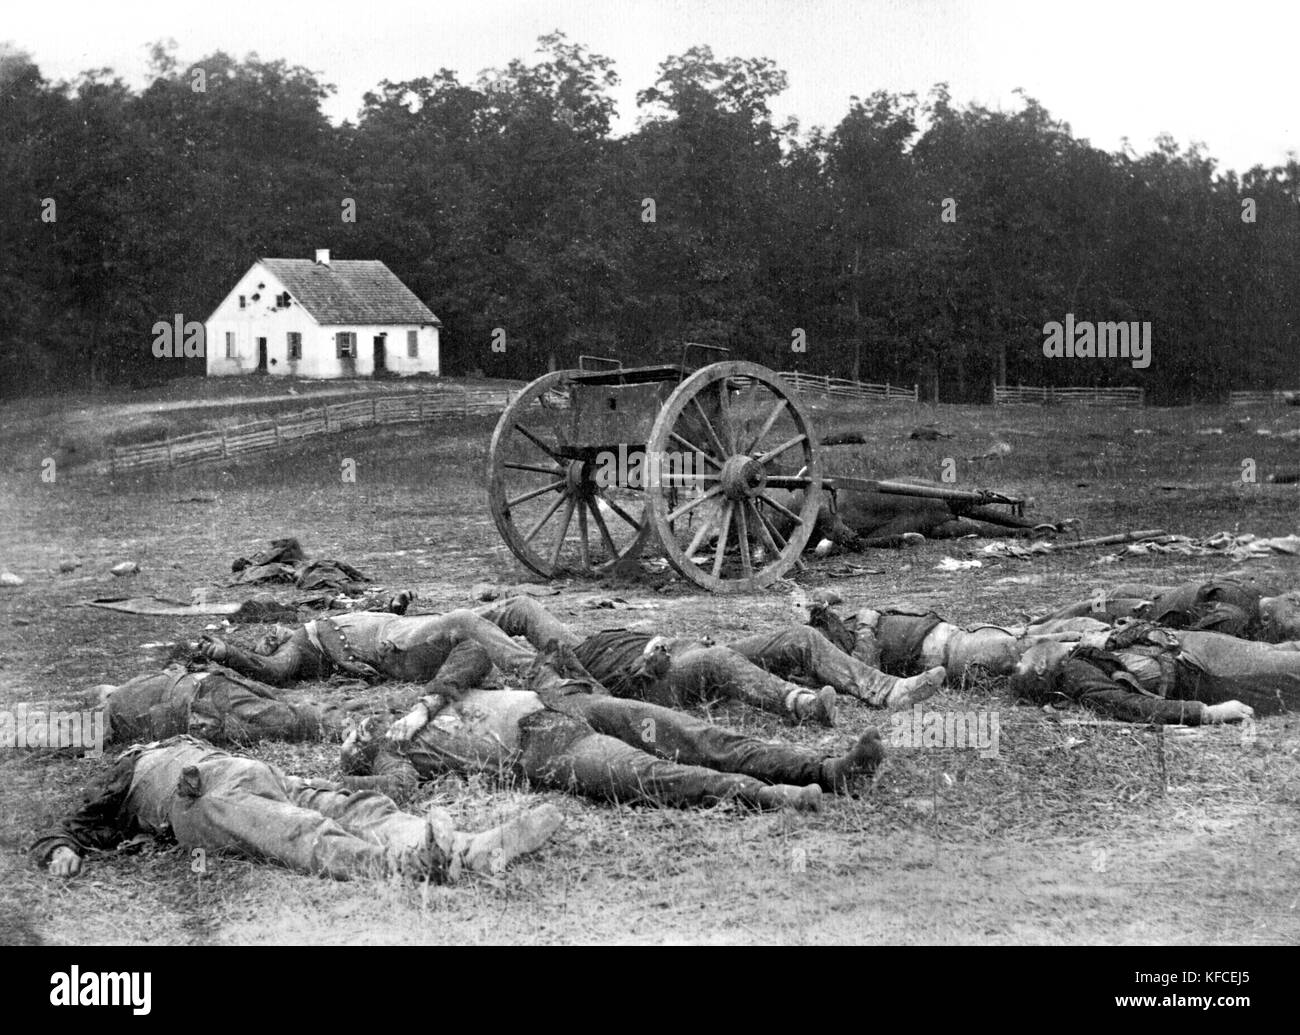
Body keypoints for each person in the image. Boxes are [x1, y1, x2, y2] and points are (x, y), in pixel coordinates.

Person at [339, 640, 886, 812]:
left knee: (697, 737)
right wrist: (348, 776)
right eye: (347, 739)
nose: (354, 730)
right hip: (543, 746)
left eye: (352, 726)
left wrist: (425, 705)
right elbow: (399, 789)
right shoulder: (397, 755)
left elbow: (473, 649)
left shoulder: (416, 709)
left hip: (573, 703)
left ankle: (831, 769)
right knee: (652, 775)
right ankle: (779, 798)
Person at [31, 734, 562, 883]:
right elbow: (67, 827)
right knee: (301, 831)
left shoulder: (178, 738)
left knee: (357, 805)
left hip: (260, 775)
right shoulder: (123, 775)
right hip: (200, 800)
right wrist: (58, 850)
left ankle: (465, 847)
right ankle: (402, 866)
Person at [473, 596, 944, 727]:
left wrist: (474, 617)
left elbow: (518, 609)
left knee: (798, 635)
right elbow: (604, 704)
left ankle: (886, 690)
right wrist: (647, 665)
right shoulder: (555, 673)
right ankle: (801, 705)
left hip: (681, 651)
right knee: (717, 661)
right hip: (663, 680)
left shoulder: (573, 639)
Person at [1008, 619, 1300, 723]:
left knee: (1284, 651)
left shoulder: (1076, 656)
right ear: (1041, 667)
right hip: (1203, 668)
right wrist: (1209, 713)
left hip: (1189, 647)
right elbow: (1133, 706)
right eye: (1021, 662)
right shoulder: (1077, 677)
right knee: (1289, 669)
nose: (1019, 656)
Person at [804, 596, 1106, 683]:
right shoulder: (840, 650)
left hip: (956, 633)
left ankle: (1103, 631)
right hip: (951, 651)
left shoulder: (844, 628)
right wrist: (868, 626)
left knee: (1036, 633)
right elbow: (863, 670)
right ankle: (1103, 644)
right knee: (1025, 647)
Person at [1036, 575, 1300, 643]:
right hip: (1142, 607)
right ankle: (1026, 629)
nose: (1296, 601)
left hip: (1148, 599)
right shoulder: (1235, 618)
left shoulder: (1256, 596)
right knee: (1073, 616)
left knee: (1080, 610)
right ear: (1265, 619)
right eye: (1294, 602)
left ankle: (1032, 625)